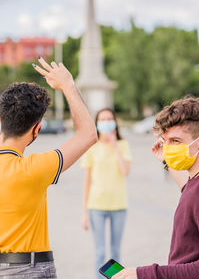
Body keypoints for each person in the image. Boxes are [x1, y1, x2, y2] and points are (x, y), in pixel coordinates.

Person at [0, 57, 97, 278]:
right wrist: (68, 86)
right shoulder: (34, 168)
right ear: (37, 129)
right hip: (29, 268)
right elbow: (88, 134)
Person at [113, 97, 199, 279]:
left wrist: (142, 274)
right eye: (165, 141)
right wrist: (167, 161)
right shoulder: (194, 182)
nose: (169, 147)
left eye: (176, 141)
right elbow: (187, 190)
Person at [81, 108, 132, 279]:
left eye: (109, 118)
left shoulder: (123, 145)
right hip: (96, 206)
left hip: (119, 205)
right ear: (97, 123)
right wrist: (84, 213)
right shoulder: (91, 147)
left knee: (116, 252)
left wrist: (115, 145)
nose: (106, 121)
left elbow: (125, 171)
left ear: (115, 122)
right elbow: (87, 181)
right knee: (100, 252)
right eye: (102, 119)